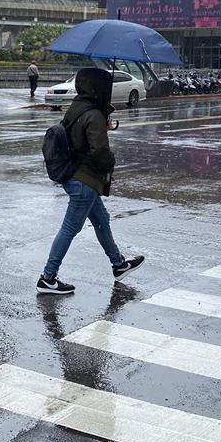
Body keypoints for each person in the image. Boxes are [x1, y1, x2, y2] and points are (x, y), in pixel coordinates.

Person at [37, 68, 144, 295]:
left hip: (77, 177)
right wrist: (111, 160)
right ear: (98, 87)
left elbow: (80, 138)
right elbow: (100, 152)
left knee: (102, 220)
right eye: (107, 86)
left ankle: (118, 265)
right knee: (69, 228)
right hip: (84, 181)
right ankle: (48, 277)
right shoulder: (93, 114)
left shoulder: (78, 107)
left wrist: (101, 123)